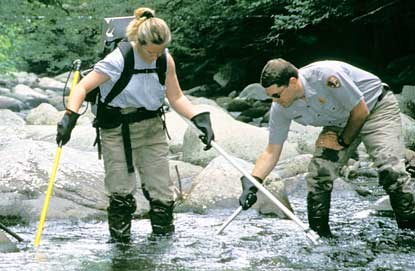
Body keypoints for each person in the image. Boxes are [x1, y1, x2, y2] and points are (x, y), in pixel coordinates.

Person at [56, 7, 214, 243]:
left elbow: (176, 97)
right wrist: (70, 116)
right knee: (120, 191)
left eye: (160, 51)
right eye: (151, 52)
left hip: (152, 128)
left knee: (162, 191)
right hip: (117, 130)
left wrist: (198, 118)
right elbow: (81, 87)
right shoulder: (119, 59)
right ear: (138, 42)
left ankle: (162, 246)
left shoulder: (164, 58)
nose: (155, 56)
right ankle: (121, 250)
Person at [238, 58, 415, 237]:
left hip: (376, 109)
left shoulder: (327, 75)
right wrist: (252, 183)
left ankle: (409, 233)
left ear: (292, 82)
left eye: (276, 95)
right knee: (319, 175)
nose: (273, 101)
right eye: (270, 96)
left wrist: (343, 141)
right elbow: (272, 151)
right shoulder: (280, 107)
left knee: (390, 169)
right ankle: (320, 237)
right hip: (339, 123)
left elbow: (360, 112)